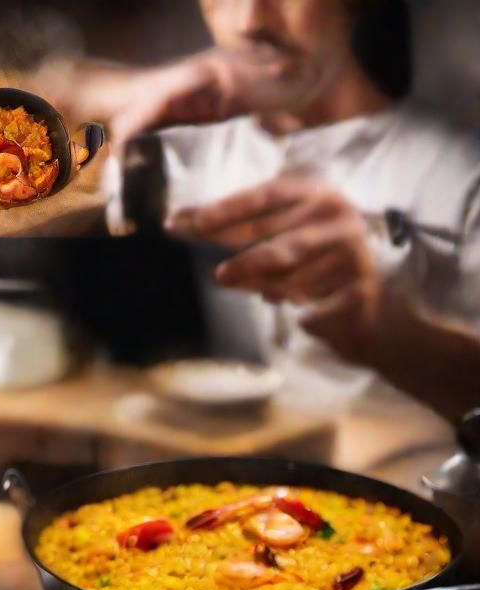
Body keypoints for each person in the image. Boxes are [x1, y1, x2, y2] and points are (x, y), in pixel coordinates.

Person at [44, 0, 480, 411]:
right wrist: (132, 88)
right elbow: (13, 109)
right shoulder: (187, 144)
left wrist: (387, 331)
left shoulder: (458, 177)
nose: (250, 21)